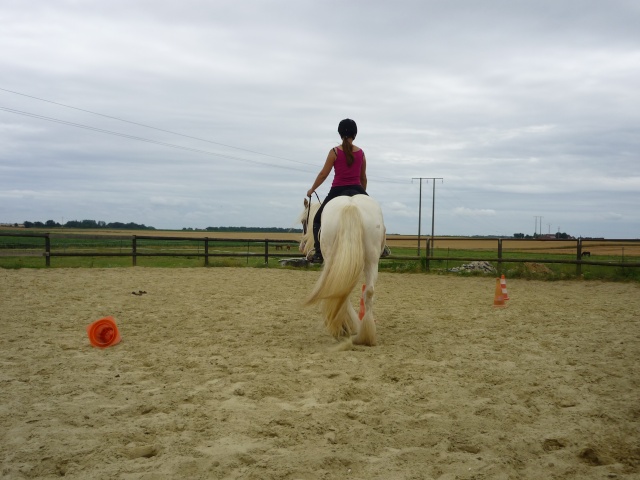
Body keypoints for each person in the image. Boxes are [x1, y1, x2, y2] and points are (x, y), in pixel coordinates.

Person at [306, 118, 368, 263]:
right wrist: (362, 196)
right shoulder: (361, 153)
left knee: (317, 220)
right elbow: (363, 177)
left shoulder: (334, 152)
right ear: (355, 133)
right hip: (357, 189)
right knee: (375, 213)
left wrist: (312, 189)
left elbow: (323, 174)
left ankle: (319, 253)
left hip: (337, 190)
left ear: (340, 133)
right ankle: (382, 247)